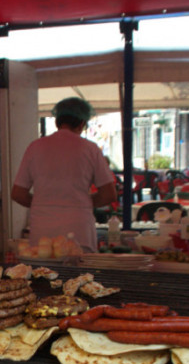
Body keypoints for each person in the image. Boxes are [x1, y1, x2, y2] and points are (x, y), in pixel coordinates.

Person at [10, 97, 116, 253]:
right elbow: (108, 194)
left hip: (42, 230)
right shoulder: (90, 149)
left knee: (43, 274)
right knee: (82, 275)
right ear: (82, 123)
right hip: (79, 228)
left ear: (56, 122)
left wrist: (44, 203)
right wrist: (81, 202)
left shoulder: (35, 147)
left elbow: (18, 193)